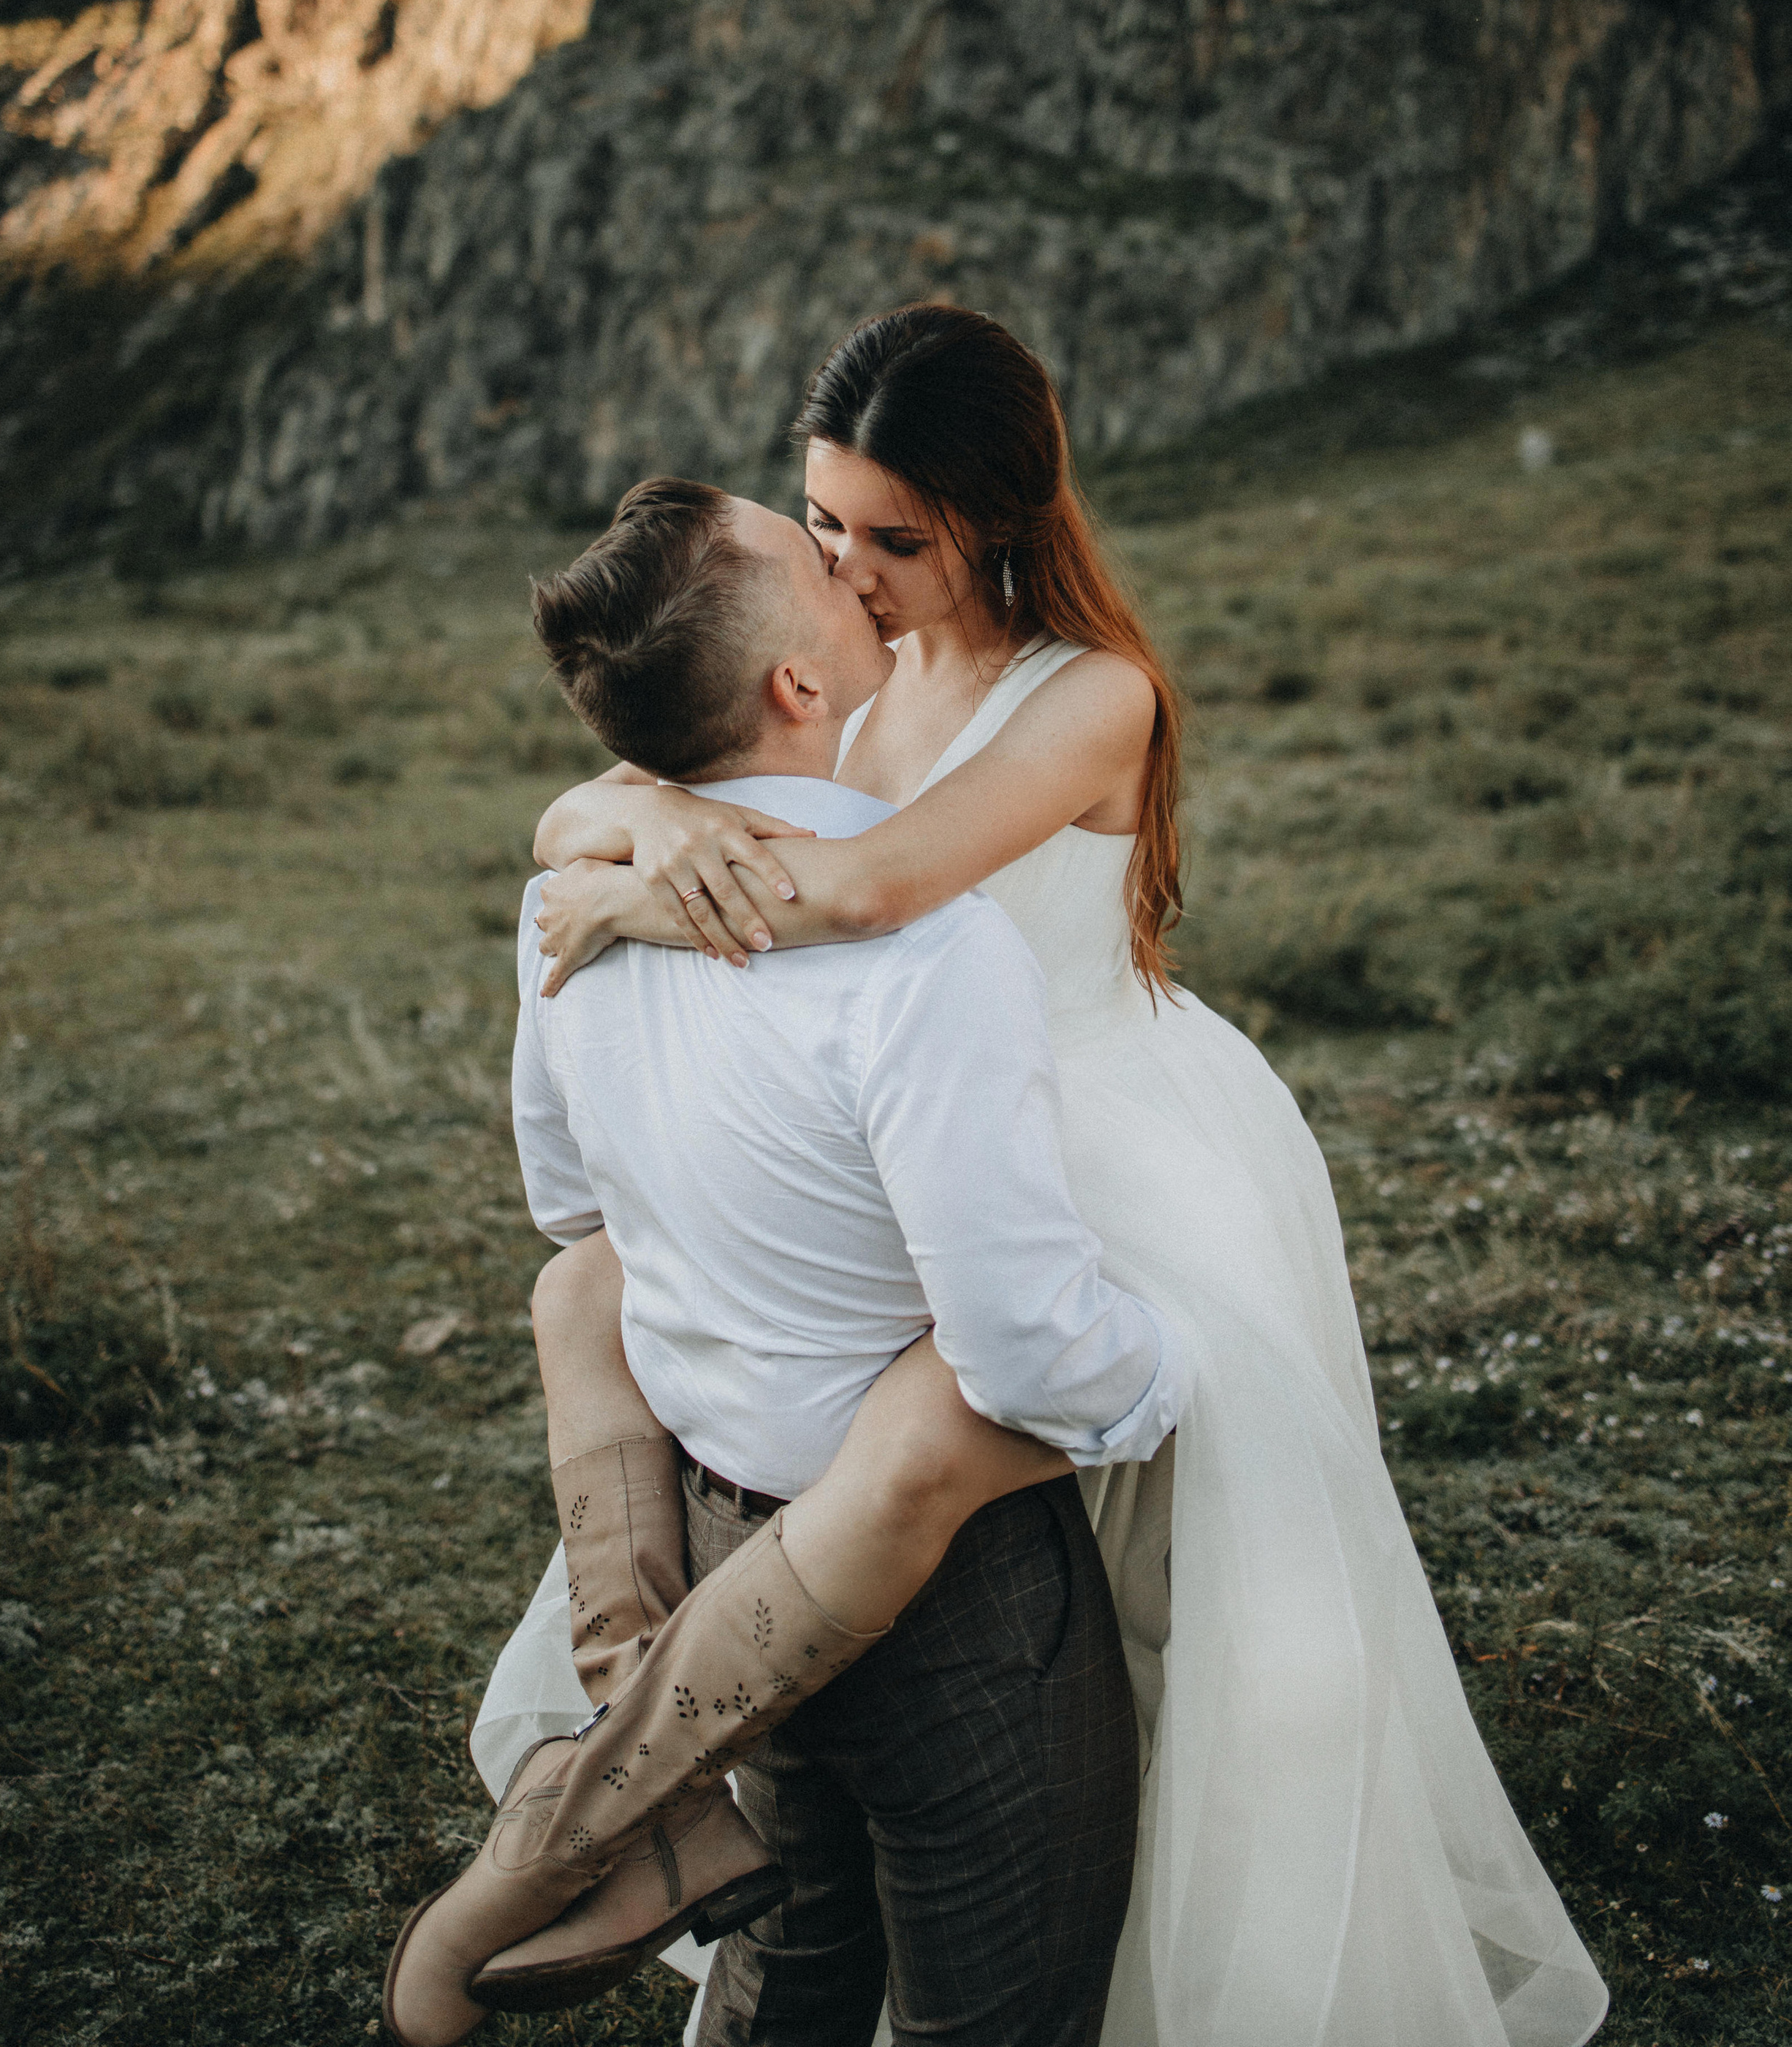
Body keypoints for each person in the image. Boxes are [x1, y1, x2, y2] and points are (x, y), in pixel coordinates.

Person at [474, 305, 1611, 2047]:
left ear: (1000, 519)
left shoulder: (1090, 696)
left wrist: (639, 872)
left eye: (895, 541)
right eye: (825, 525)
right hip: (902, 1130)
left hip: (1094, 1132)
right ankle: (735, 1805)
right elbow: (582, 799)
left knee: (1186, 1597)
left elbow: (880, 886)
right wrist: (649, 820)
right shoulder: (832, 669)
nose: (847, 574)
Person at [386, 474, 1187, 2047]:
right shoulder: (931, 957)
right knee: (995, 2005)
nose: (844, 562)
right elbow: (1019, 1358)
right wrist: (1169, 1365)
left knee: (792, 1972)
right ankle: (590, 1810)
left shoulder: (574, 910)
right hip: (949, 1595)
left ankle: (625, 1775)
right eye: (806, 548)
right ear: (799, 688)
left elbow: (576, 1214)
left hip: (712, 1519)